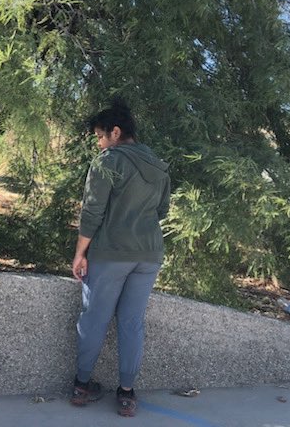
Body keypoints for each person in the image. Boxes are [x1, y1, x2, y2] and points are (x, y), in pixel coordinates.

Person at [70, 100, 170, 418]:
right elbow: (162, 211)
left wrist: (80, 252)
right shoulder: (158, 164)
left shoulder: (108, 161)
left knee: (95, 318)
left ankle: (81, 386)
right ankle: (127, 394)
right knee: (131, 323)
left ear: (115, 132)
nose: (99, 144)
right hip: (149, 255)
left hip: (111, 253)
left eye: (100, 137)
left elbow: (92, 211)